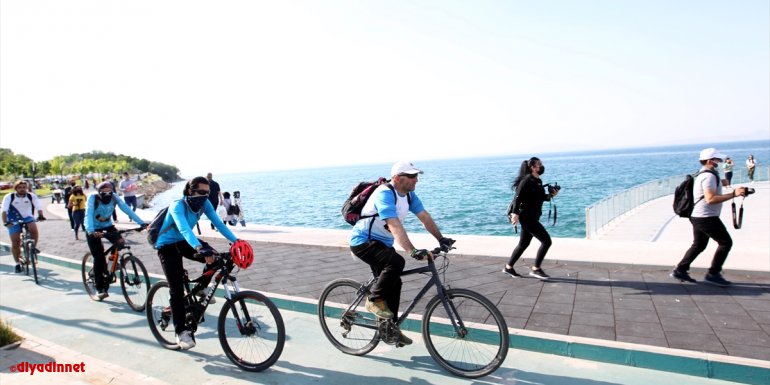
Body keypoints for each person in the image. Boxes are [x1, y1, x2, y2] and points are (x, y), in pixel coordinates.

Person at [350, 161, 454, 347]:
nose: (416, 180)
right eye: (412, 176)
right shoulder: (384, 193)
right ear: (397, 178)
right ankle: (374, 299)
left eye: (417, 176)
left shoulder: (409, 196)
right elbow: (393, 223)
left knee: (395, 281)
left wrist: (441, 239)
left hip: (381, 243)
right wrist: (412, 251)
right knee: (396, 262)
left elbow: (424, 216)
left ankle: (390, 330)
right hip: (363, 242)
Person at [154, 176, 249, 350]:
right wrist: (199, 247)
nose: (205, 196)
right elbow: (183, 228)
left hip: (184, 242)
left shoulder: (204, 204)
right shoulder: (178, 205)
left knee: (216, 259)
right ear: (190, 191)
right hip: (167, 245)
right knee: (176, 289)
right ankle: (181, 332)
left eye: (208, 193)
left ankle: (201, 288)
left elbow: (219, 224)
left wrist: (236, 241)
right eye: (201, 192)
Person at [670, 148, 749, 287]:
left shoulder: (705, 174)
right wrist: (734, 194)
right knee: (725, 243)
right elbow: (710, 199)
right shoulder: (708, 176)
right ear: (709, 161)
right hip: (706, 217)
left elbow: (713, 187)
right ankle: (713, 273)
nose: (719, 161)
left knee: (699, 244)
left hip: (698, 215)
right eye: (717, 159)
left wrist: (727, 184)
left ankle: (680, 270)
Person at [85, 182, 147, 299]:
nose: (107, 194)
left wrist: (141, 223)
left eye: (110, 191)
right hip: (93, 228)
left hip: (107, 226)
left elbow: (127, 209)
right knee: (98, 257)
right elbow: (88, 214)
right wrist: (91, 230)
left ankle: (111, 263)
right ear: (99, 192)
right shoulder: (92, 198)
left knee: (120, 242)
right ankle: (99, 288)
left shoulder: (115, 197)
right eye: (104, 192)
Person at [502, 157, 559, 280]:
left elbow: (540, 197)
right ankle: (536, 269)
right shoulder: (526, 180)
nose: (541, 166)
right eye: (539, 164)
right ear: (532, 167)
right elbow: (517, 197)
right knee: (546, 241)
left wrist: (551, 194)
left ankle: (508, 267)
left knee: (523, 243)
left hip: (533, 216)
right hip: (527, 217)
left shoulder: (538, 181)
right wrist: (515, 214)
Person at [1, 180, 46, 273]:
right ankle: (17, 263)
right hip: (13, 219)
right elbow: (4, 210)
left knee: (34, 230)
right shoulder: (9, 197)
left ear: (27, 188)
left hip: (27, 217)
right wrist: (5, 222)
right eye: (20, 187)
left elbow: (38, 206)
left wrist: (40, 215)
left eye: (24, 187)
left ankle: (32, 248)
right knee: (15, 242)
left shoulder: (31, 196)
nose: (22, 189)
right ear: (16, 188)